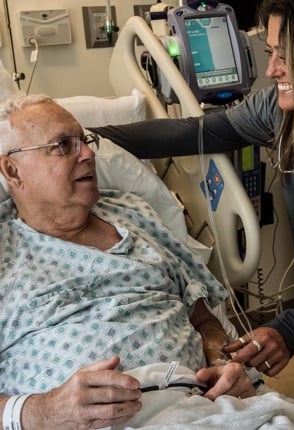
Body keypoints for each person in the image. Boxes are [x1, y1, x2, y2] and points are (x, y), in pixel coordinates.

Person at [89, 0, 294, 428]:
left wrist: (289, 329)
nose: (273, 70)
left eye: (286, 55)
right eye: (271, 54)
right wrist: (85, 135)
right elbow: (199, 132)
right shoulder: (283, 115)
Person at [0, 94, 257, 430]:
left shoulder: (133, 212)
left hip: (203, 405)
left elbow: (202, 316)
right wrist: (43, 411)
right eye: (63, 145)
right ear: (12, 170)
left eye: (86, 141)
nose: (89, 153)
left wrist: (220, 358)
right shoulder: (6, 252)